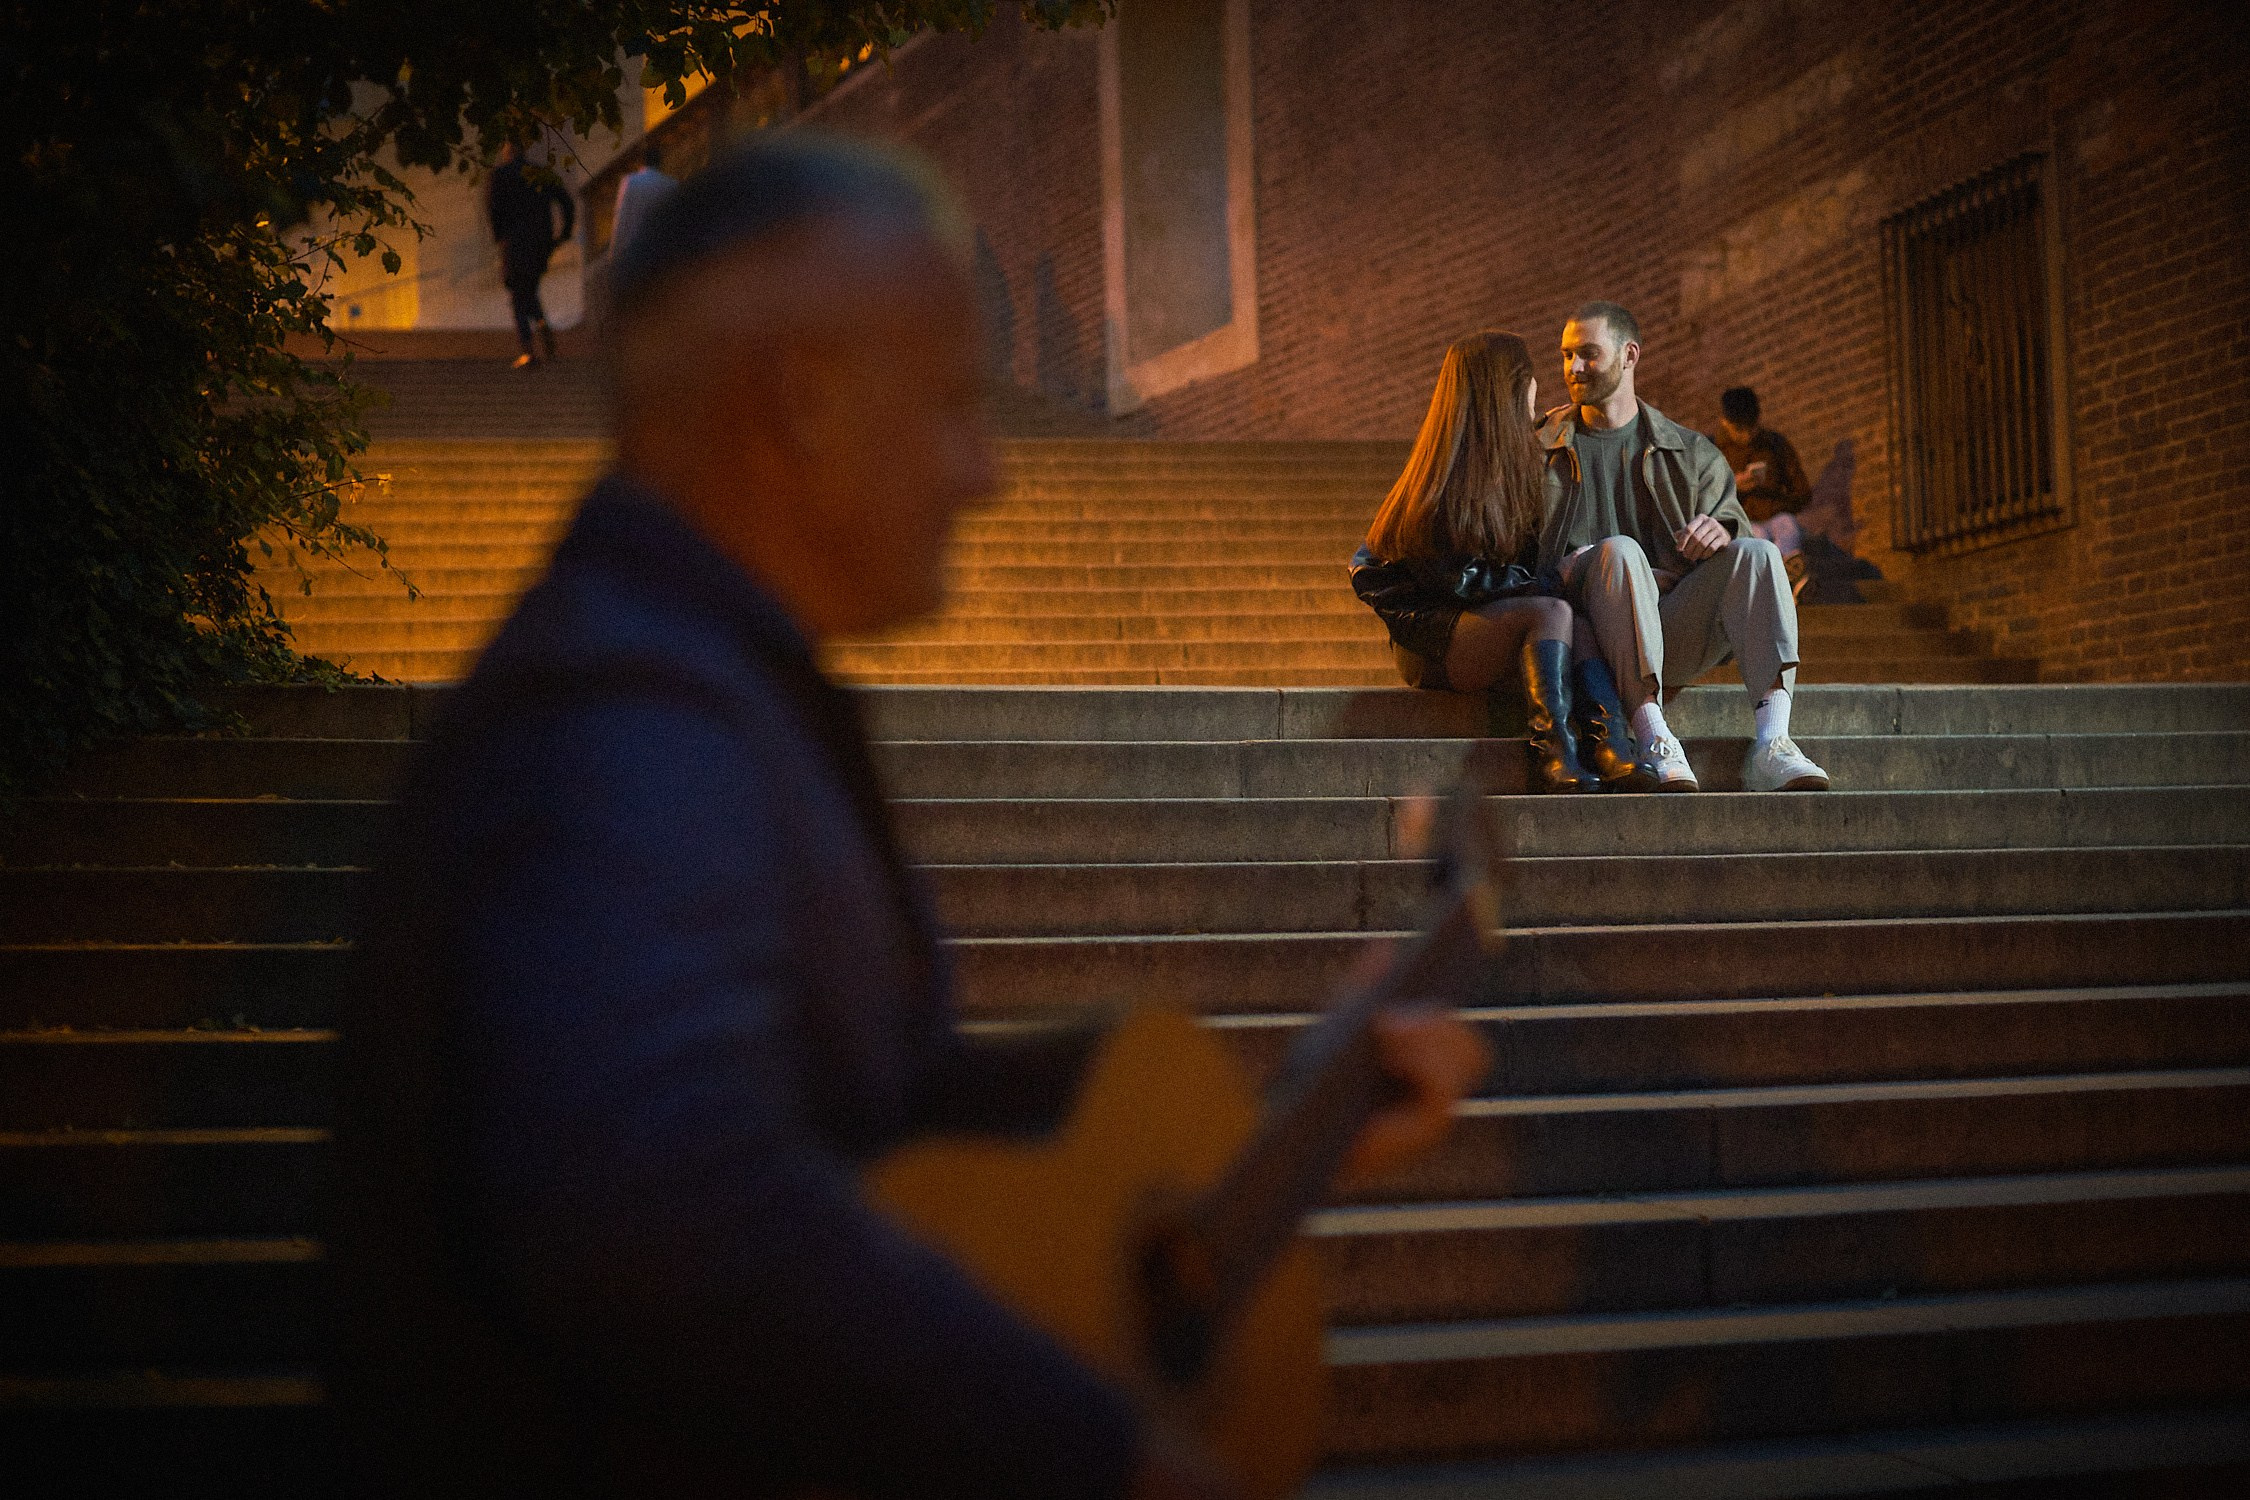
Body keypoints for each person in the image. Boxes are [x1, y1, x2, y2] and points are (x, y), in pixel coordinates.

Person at [329, 132, 1488, 1500]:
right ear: (802, 398)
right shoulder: (624, 712)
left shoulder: (701, 684)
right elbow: (651, 1212)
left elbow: (861, 1147)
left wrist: (1277, 1146)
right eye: (951, 401)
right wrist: (1104, 1461)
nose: (985, 471)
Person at [1538, 302, 1831, 793]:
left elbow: (1733, 526)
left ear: (1630, 355)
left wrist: (1722, 531)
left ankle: (1773, 741)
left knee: (1758, 551)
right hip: (1583, 636)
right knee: (1621, 552)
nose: (1574, 368)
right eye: (1567, 356)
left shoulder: (1691, 452)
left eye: (1588, 354)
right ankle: (1654, 736)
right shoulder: (1541, 447)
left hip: (1674, 626)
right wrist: (1581, 567)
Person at [1351, 332, 1654, 794]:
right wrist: (1555, 578)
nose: (1539, 388)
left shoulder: (1519, 465)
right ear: (1507, 388)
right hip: (1434, 640)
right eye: (1530, 377)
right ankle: (1553, 752)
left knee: (1574, 616)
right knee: (1552, 610)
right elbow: (1452, 582)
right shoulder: (1441, 479)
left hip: (1495, 629)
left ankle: (1612, 745)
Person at [1714, 385, 1813, 597]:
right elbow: (1705, 501)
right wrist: (1734, 488)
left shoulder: (1774, 445)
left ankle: (1792, 574)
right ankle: (1786, 581)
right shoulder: (1714, 451)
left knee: (1787, 526)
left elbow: (1802, 492)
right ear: (1725, 423)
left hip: (1774, 515)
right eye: (1740, 430)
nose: (1748, 435)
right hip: (1742, 520)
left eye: (1752, 428)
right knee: (1756, 538)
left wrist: (1774, 503)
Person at [486, 140, 577, 368]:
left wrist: (500, 238)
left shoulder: (500, 175)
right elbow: (567, 202)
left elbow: (493, 210)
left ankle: (528, 349)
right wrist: (562, 234)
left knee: (518, 294)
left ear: (507, 151)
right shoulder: (540, 174)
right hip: (540, 243)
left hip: (514, 242)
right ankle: (541, 322)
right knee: (529, 287)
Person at [608, 140, 678, 261]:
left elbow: (622, 219)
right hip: (663, 251)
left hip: (637, 252)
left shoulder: (630, 182)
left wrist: (614, 255)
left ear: (643, 162)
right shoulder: (671, 184)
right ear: (660, 161)